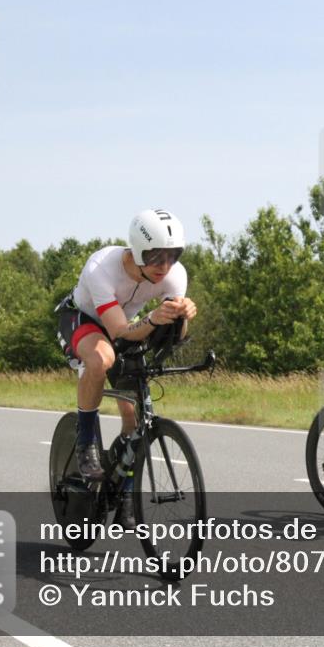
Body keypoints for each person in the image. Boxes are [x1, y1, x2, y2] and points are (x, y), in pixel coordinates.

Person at [55, 209, 197, 525]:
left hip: (128, 325)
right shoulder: (101, 268)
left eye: (173, 256)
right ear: (135, 251)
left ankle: (125, 490)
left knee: (136, 416)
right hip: (83, 319)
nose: (164, 266)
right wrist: (151, 319)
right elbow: (118, 331)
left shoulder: (175, 275)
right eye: (156, 257)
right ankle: (87, 443)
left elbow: (173, 338)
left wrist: (183, 317)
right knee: (101, 360)